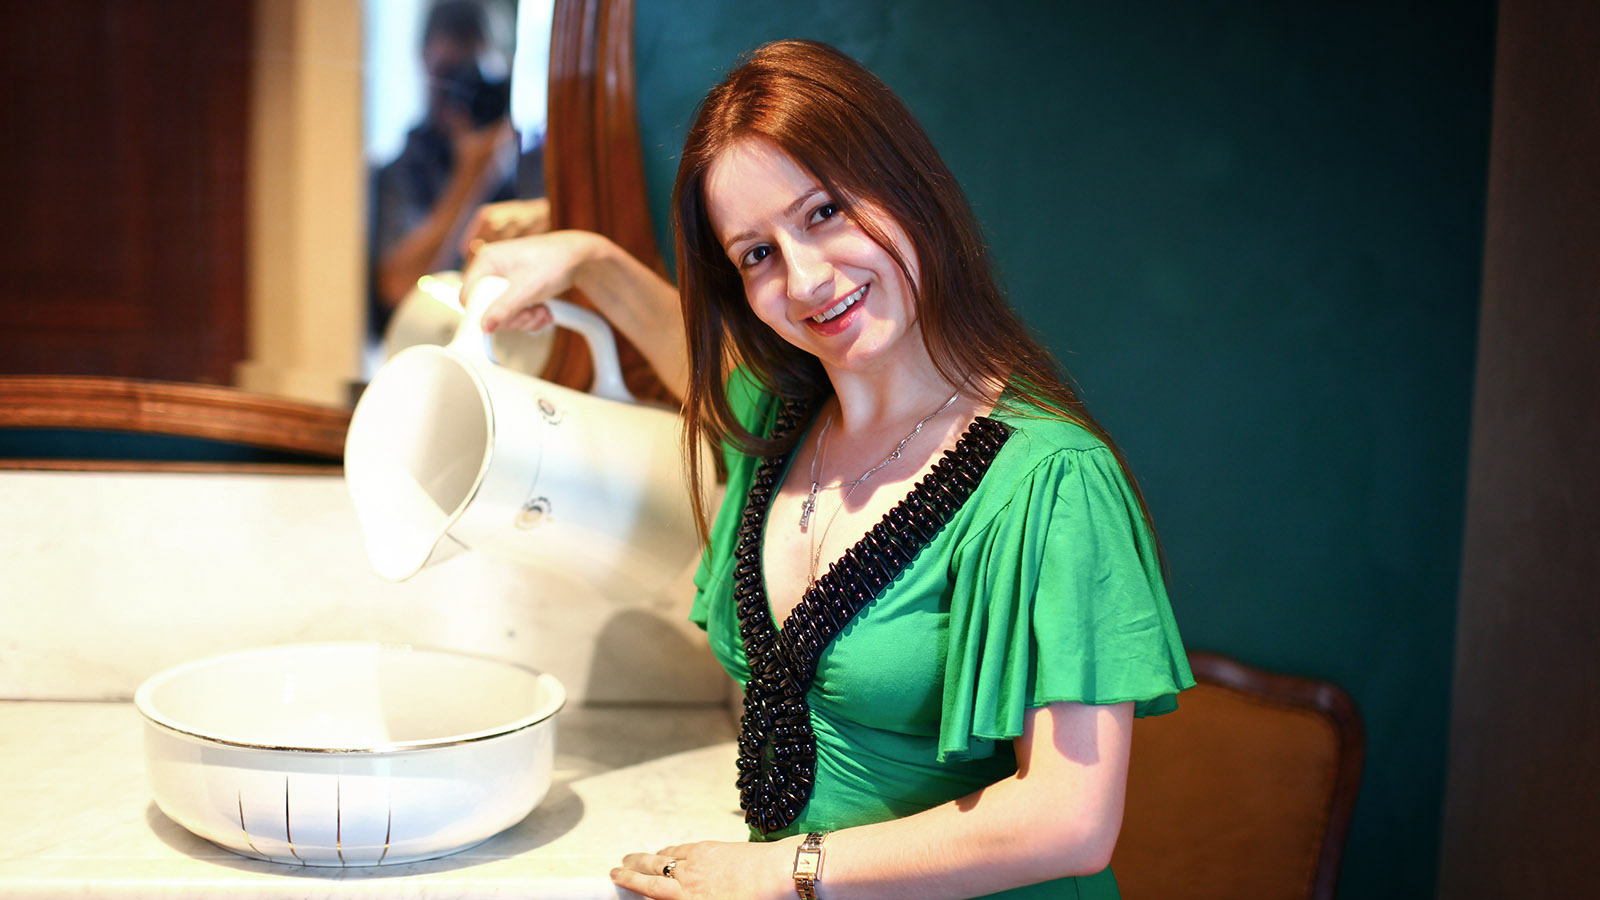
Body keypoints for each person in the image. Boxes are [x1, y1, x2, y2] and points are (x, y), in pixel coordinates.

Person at [462, 39, 1192, 900]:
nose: (806, 279)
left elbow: (1067, 820)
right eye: (757, 254)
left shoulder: (1050, 482)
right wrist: (589, 261)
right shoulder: (783, 424)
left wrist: (781, 871)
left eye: (823, 213)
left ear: (906, 187)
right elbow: (694, 358)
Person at [369, 0, 520, 339]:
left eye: (477, 77)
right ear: (425, 62)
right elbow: (396, 288)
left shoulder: (526, 161)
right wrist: (471, 178)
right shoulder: (399, 172)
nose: (462, 94)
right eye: (450, 74)